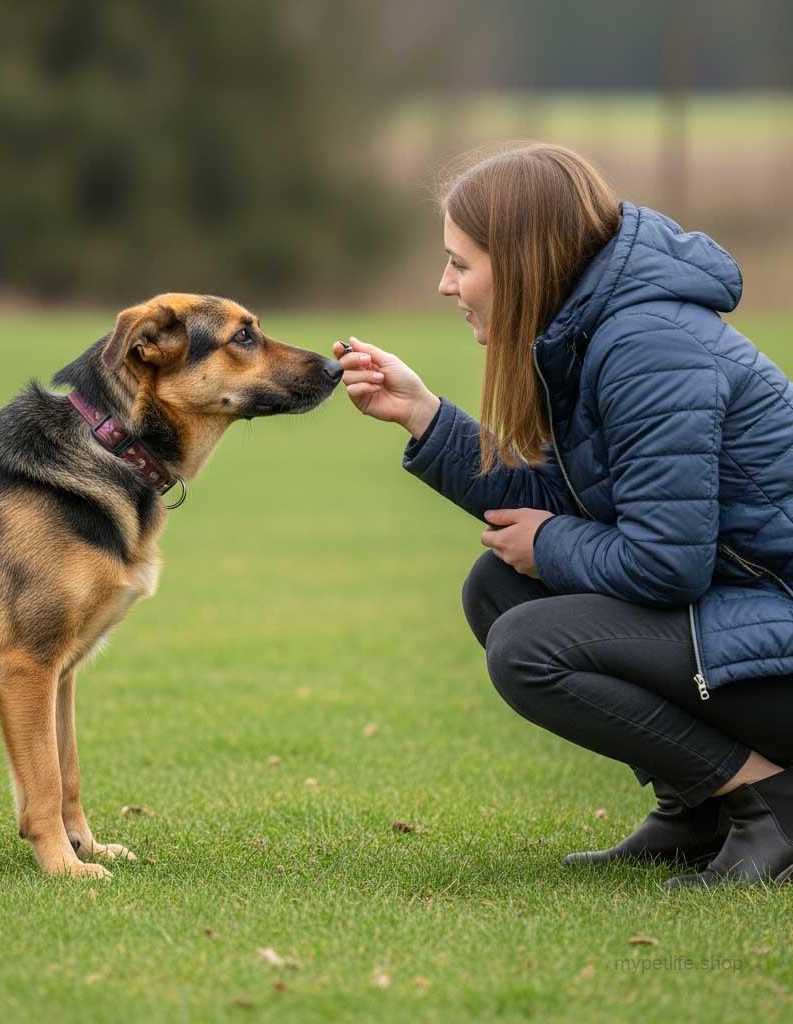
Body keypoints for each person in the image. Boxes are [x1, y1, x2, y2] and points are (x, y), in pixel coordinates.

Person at [334, 142, 793, 889]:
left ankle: (770, 801)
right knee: (498, 590)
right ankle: (697, 808)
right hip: (755, 621)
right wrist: (423, 416)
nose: (445, 284)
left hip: (776, 630)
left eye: (459, 263)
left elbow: (667, 563)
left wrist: (549, 544)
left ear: (521, 263)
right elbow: (573, 503)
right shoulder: (596, 331)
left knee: (528, 646)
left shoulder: (647, 346)